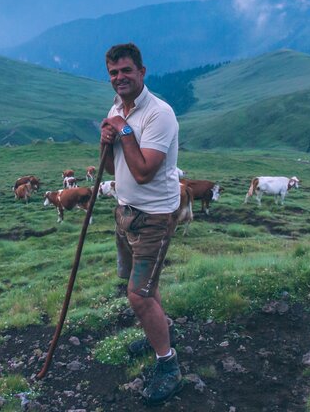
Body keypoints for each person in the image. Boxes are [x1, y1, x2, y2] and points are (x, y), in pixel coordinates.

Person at [100, 43, 182, 405]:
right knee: (146, 285)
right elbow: (112, 168)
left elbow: (146, 171)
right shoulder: (117, 110)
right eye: (114, 73)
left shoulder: (159, 114)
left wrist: (124, 131)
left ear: (142, 72)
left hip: (154, 217)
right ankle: (161, 332)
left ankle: (168, 365)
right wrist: (106, 140)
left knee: (138, 294)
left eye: (126, 71)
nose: (120, 78)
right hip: (126, 211)